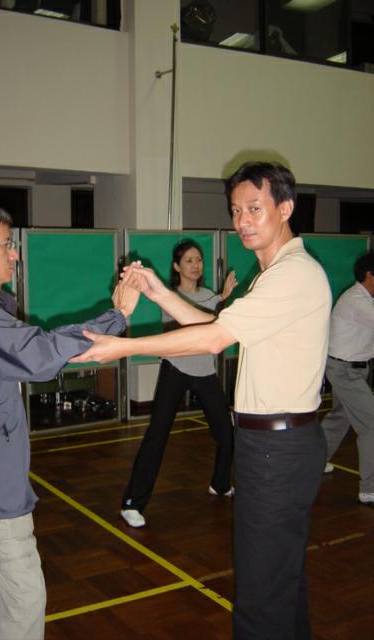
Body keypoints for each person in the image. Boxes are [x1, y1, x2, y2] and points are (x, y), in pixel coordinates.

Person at [72, 162, 332, 640]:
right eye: (235, 211)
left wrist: (123, 347)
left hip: (278, 449)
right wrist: (158, 292)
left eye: (254, 208)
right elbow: (213, 324)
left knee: (261, 597)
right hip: (278, 445)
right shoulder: (275, 274)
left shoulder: (292, 275)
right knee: (280, 584)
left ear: (285, 208)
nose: (242, 221)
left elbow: (213, 338)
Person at [0, 200, 138, 640]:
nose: (15, 253)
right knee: (24, 595)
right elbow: (38, 355)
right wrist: (118, 316)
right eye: (6, 244)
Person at [121, 239, 237, 528]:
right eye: (188, 260)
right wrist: (220, 301)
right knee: (157, 436)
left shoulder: (210, 296)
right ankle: (132, 503)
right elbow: (195, 320)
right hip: (176, 370)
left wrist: (221, 299)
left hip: (205, 372)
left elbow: (218, 323)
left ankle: (221, 483)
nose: (196, 265)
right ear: (176, 266)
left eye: (199, 260)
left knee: (226, 433)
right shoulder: (170, 297)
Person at [322, 252, 374, 506]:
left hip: (354, 369)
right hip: (344, 371)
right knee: (371, 424)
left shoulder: (366, 300)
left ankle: (314, 461)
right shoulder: (356, 301)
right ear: (370, 276)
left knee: (338, 420)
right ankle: (369, 489)